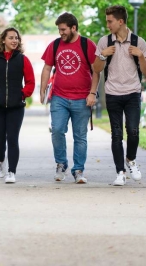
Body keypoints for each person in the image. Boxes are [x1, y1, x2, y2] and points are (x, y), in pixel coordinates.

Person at [93, 5, 146, 186]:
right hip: (112, 94)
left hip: (133, 93)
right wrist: (102, 55)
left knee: (133, 131)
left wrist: (141, 56)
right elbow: (96, 69)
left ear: (120, 21)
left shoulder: (138, 42)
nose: (107, 24)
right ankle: (120, 172)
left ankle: (131, 160)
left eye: (110, 21)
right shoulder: (104, 42)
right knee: (116, 135)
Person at [40, 12, 99, 184]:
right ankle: (61, 164)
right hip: (59, 97)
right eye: (59, 30)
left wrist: (92, 93)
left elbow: (96, 71)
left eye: (64, 29)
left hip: (82, 98)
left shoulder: (86, 44)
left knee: (80, 136)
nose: (61, 33)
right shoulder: (56, 44)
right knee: (57, 130)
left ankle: (78, 170)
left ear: (74, 28)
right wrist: (43, 89)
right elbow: (46, 68)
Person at [0, 27, 35, 184]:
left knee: (12, 138)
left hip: (16, 107)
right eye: (11, 37)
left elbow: (30, 82)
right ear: (3, 40)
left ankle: (12, 172)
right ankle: (1, 160)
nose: (14, 40)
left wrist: (23, 94)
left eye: (16, 38)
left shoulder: (23, 59)